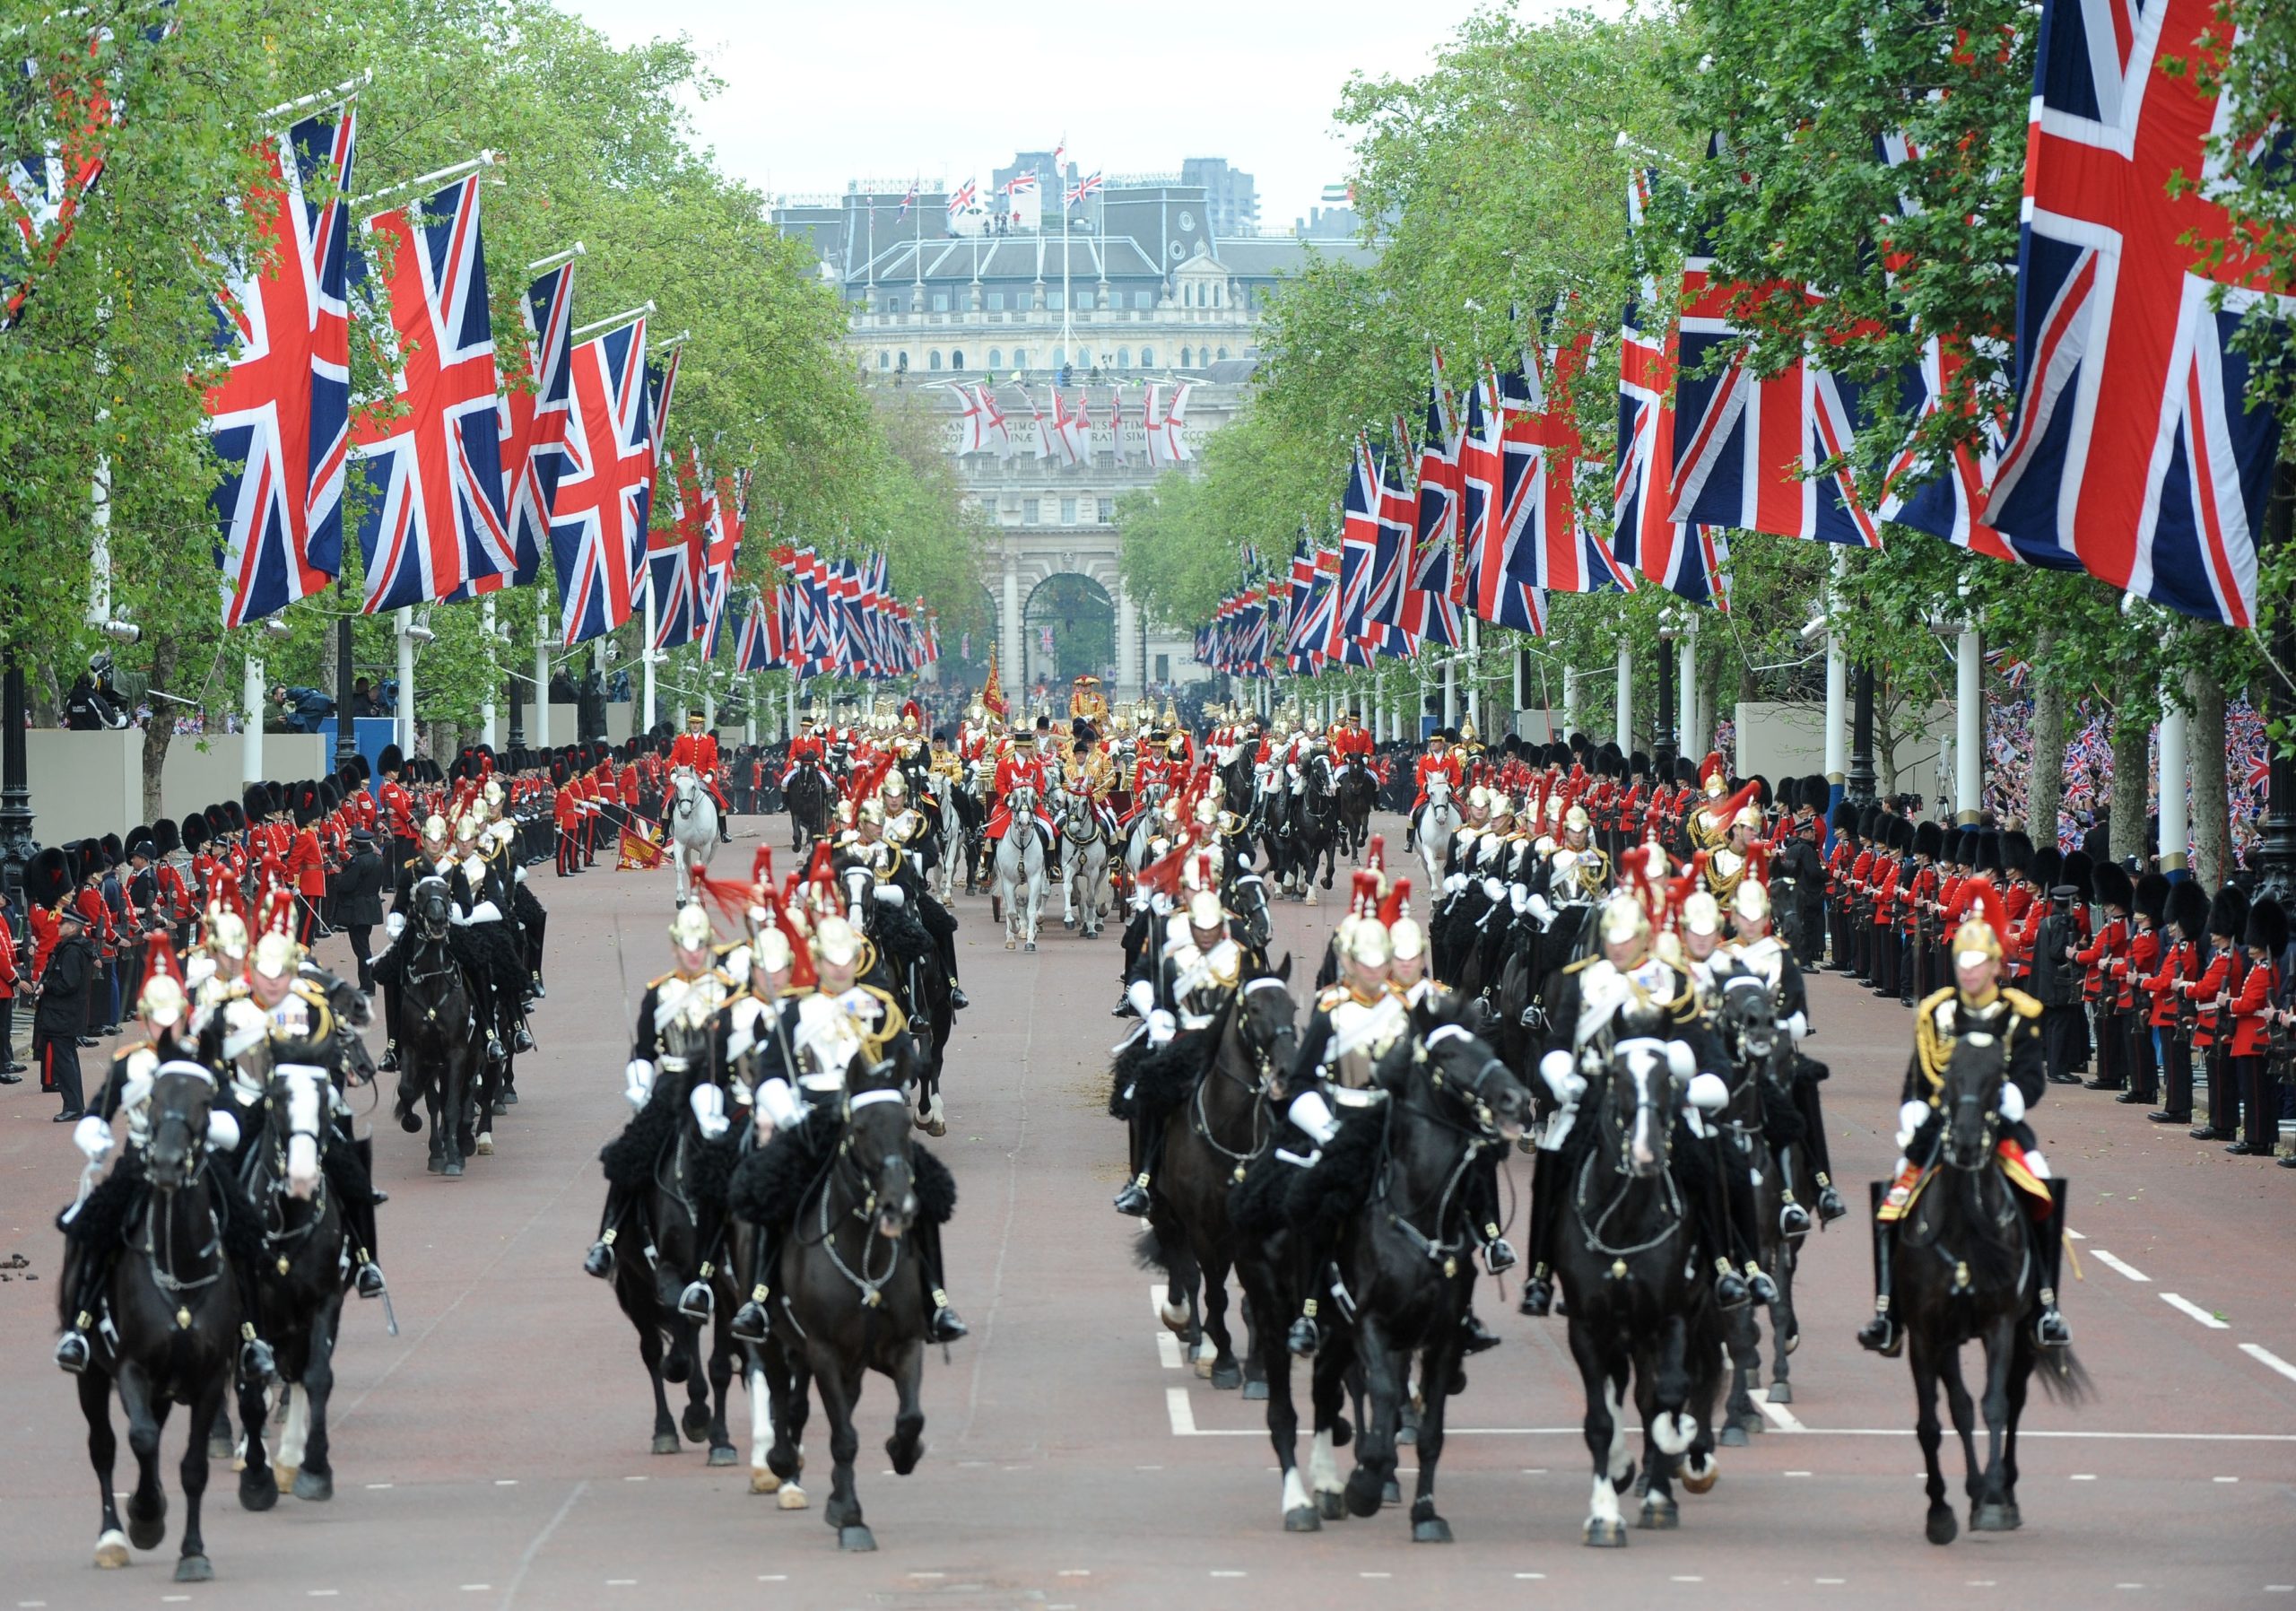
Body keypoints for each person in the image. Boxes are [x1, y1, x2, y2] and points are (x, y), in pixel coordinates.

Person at [1859, 880, 2068, 1355]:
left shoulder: (2019, 1013)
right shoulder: (1936, 1012)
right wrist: (1913, 1111)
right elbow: (1918, 1075)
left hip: (2000, 1123)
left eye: (1977, 964)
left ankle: (2045, 1304)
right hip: (1939, 1123)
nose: (1969, 972)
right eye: (1963, 963)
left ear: (1996, 965)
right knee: (1894, 1194)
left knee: (2041, 1183)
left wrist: (2012, 1097)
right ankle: (1887, 1309)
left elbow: (2033, 1077)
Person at [35, 895, 97, 1120]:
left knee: (65, 1061)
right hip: (65, 1013)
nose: (58, 925)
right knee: (67, 1059)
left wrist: (46, 987)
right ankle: (74, 1105)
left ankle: (73, 1107)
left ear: (72, 927)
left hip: (63, 1013)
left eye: (62, 923)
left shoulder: (72, 951)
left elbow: (68, 983)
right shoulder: (73, 948)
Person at [335, 828, 387, 993]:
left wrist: (339, 876)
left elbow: (346, 885)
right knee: (363, 945)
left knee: (362, 949)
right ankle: (367, 983)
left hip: (358, 909)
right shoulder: (377, 859)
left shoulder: (359, 862)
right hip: (371, 906)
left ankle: (368, 984)